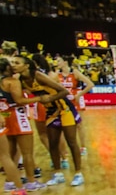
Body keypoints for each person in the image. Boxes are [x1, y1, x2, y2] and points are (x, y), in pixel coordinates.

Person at [9, 56, 79, 185]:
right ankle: (58, 174)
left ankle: (78, 174)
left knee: (72, 142)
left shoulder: (38, 76)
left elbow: (63, 91)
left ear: (27, 66)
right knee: (52, 144)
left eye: (17, 63)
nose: (13, 65)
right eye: (12, 63)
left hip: (64, 109)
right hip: (50, 111)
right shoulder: (20, 80)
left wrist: (50, 99)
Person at [1, 57, 56, 195]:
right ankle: (31, 182)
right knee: (27, 152)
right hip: (17, 115)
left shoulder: (2, 82)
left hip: (5, 115)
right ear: (7, 68)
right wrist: (39, 98)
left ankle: (10, 181)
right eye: (11, 65)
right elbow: (19, 100)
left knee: (12, 152)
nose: (13, 66)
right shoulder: (12, 82)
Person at [55, 55, 95, 156]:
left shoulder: (74, 72)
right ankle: (64, 149)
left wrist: (78, 94)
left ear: (65, 62)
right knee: (64, 125)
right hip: (64, 102)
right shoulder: (56, 74)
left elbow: (90, 84)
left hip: (76, 100)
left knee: (79, 125)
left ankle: (83, 147)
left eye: (59, 61)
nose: (57, 63)